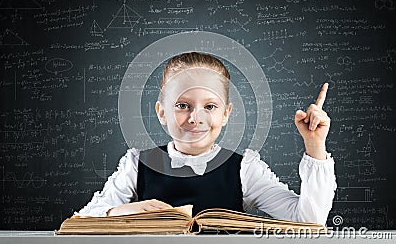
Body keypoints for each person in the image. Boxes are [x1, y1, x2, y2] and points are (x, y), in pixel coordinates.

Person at [76, 52, 336, 225]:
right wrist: (117, 211)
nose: (195, 118)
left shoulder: (244, 167)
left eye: (210, 107)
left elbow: (309, 221)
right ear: (162, 112)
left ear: (226, 114)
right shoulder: (136, 163)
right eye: (182, 105)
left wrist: (315, 145)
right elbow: (80, 221)